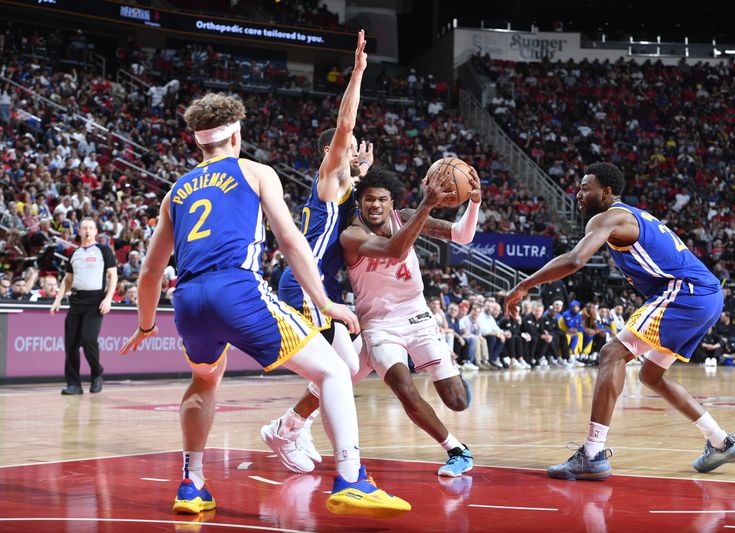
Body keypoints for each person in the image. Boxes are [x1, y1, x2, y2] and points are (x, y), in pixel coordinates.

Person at [118, 88, 409, 518]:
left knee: (203, 381)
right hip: (236, 289)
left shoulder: (175, 191)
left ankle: (192, 484)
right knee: (334, 370)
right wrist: (325, 304)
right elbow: (291, 241)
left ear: (199, 140)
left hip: (188, 299)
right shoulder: (255, 172)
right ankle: (351, 477)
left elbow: (149, 272)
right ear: (236, 137)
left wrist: (145, 325)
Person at [505, 162, 735, 480]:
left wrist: (525, 284)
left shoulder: (610, 216)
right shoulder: (631, 216)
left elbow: (575, 259)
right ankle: (720, 441)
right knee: (651, 375)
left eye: (584, 187)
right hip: (705, 295)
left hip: (686, 292)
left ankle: (591, 454)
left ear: (605, 192)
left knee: (611, 354)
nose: (578, 193)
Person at [261, 29, 376, 474]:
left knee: (349, 369)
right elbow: (345, 123)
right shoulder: (327, 180)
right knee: (338, 371)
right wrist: (358, 73)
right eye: (345, 147)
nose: (351, 146)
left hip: (321, 287)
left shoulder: (346, 185)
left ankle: (288, 426)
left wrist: (364, 174)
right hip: (303, 286)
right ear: (331, 152)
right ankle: (296, 434)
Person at [341, 166, 481, 476]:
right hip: (379, 326)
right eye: (368, 200)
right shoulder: (352, 235)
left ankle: (452, 378)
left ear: (392, 203)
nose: (375, 205)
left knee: (457, 402)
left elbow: (463, 235)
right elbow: (395, 250)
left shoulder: (405, 215)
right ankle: (457, 450)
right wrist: (426, 204)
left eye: (382, 199)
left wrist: (474, 201)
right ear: (360, 204)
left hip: (417, 317)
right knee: (404, 389)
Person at [50, 218, 117, 395]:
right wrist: (57, 299)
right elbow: (68, 279)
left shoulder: (104, 250)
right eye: (84, 228)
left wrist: (108, 299)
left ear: (96, 231)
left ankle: (96, 373)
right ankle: (74, 384)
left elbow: (113, 276)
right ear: (79, 232)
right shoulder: (74, 253)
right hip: (76, 301)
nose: (87, 231)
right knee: (71, 344)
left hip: (95, 301)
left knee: (88, 340)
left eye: (90, 228)